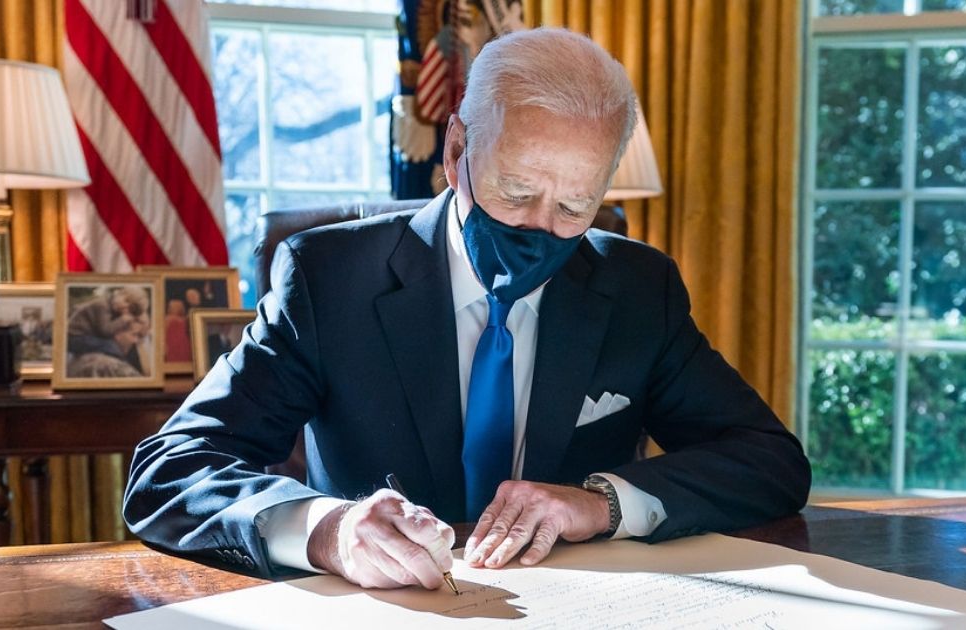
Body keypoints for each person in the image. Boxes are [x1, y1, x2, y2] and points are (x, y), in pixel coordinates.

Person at [124, 27, 810, 590]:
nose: (542, 227)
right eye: (515, 192)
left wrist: (601, 502)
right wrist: (325, 530)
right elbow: (169, 469)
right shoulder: (328, 279)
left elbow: (769, 461)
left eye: (575, 205)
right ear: (457, 151)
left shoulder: (637, 288)